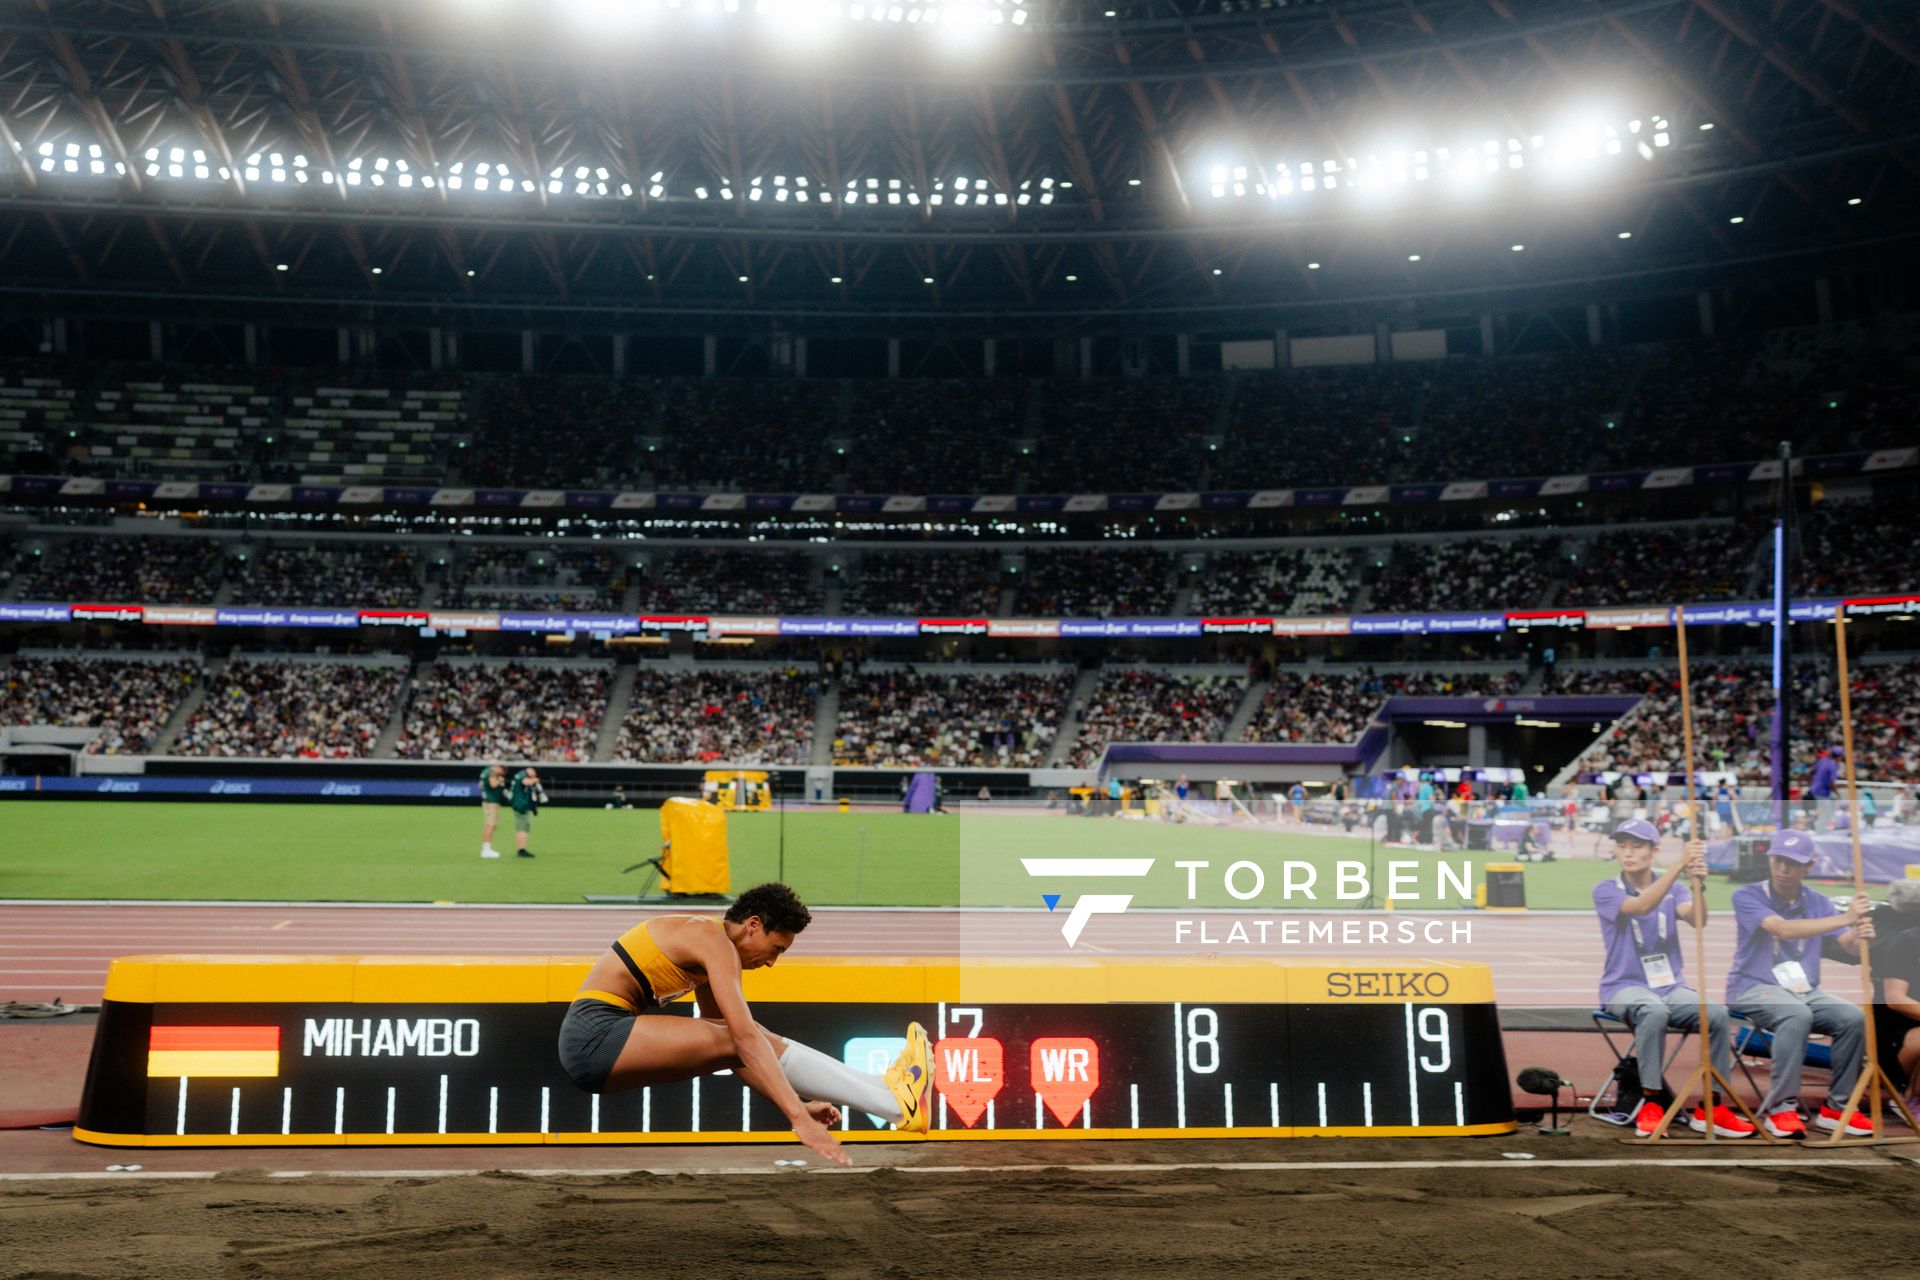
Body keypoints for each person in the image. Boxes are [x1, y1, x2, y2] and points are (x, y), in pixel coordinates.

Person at [557, 882, 930, 1167]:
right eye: (776, 948)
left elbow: (736, 1049)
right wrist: (797, 1117)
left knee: (748, 1035)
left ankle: (887, 1092)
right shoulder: (710, 939)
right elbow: (742, 1039)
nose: (771, 962)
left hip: (599, 1044)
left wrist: (797, 1105)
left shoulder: (707, 950)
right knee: (747, 1034)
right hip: (594, 1039)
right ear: (753, 925)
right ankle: (895, 1104)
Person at [1592, 819, 1754, 1137]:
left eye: (1637, 846)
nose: (1628, 853)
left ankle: (1713, 1106)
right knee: (1653, 1011)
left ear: (1654, 851)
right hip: (1623, 987)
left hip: (1670, 986)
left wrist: (1698, 886)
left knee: (1717, 1014)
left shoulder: (1675, 889)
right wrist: (1680, 864)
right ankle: (1651, 1103)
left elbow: (1697, 919)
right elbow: (1641, 906)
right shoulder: (1607, 889)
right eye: (1622, 846)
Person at [1725, 829, 1876, 1137]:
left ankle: (1838, 1108)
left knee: (1854, 1018)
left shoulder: (1818, 901)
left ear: (1809, 865)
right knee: (1796, 1013)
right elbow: (1782, 929)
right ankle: (1781, 1109)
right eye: (1778, 860)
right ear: (1770, 859)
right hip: (1752, 987)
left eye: (1792, 863)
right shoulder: (1748, 895)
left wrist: (1859, 935)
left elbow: (1847, 946)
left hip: (1803, 991)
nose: (1783, 869)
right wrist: (1846, 918)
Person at [507, 765, 546, 859]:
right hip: (521, 805)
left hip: (519, 804)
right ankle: (521, 850)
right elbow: (526, 782)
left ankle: (521, 849)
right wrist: (535, 780)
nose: (534, 776)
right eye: (534, 773)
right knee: (523, 828)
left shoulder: (519, 775)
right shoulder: (522, 775)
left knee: (522, 827)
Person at [478, 763, 509, 859]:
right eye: (501, 772)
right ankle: (486, 850)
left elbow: (480, 785)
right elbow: (493, 784)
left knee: (491, 825)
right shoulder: (492, 772)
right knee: (490, 825)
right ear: (499, 768)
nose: (500, 774)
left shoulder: (486, 771)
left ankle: (486, 848)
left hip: (488, 801)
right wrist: (500, 780)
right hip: (491, 802)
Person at [1808, 748, 1840, 829]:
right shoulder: (1833, 765)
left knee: (1824, 808)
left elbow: (1811, 771)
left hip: (1814, 788)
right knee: (1827, 810)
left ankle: (1813, 823)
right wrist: (1838, 794)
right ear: (1839, 757)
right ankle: (1819, 829)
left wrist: (1815, 781)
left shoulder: (1822, 760)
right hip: (1822, 791)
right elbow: (1831, 783)